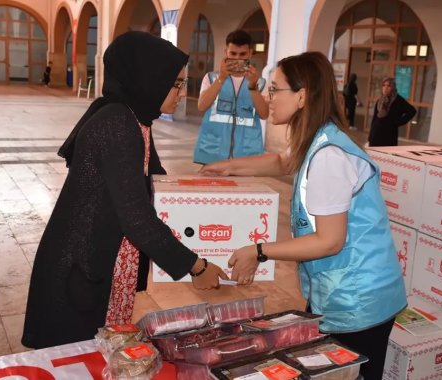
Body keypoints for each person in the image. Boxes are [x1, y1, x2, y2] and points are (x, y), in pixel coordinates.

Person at [200, 52, 407, 380]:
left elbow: (329, 241)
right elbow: (284, 162)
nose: (269, 97)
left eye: (275, 89)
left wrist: (259, 251)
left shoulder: (328, 157)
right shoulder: (317, 138)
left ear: (302, 95)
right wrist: (227, 167)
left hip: (360, 300)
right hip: (340, 290)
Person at [22, 31, 228, 350]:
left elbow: (139, 186)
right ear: (148, 80)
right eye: (175, 84)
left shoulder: (134, 118)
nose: (180, 93)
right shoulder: (119, 125)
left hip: (95, 259)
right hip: (79, 268)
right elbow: (137, 218)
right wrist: (195, 266)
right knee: (80, 359)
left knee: (102, 352)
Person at [193, 30, 269, 164]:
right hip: (213, 151)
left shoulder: (260, 83)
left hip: (246, 153)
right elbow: (201, 106)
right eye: (233, 53)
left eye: (242, 54)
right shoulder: (211, 78)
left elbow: (264, 114)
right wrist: (221, 78)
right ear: (226, 52)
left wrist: (253, 86)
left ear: (250, 53)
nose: (237, 58)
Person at [367, 77, 416, 147]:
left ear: (393, 87)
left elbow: (412, 111)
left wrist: (399, 122)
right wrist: (370, 135)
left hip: (389, 135)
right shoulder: (380, 100)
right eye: (384, 85)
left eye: (388, 86)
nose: (385, 88)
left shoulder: (398, 100)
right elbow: (375, 118)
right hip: (376, 133)